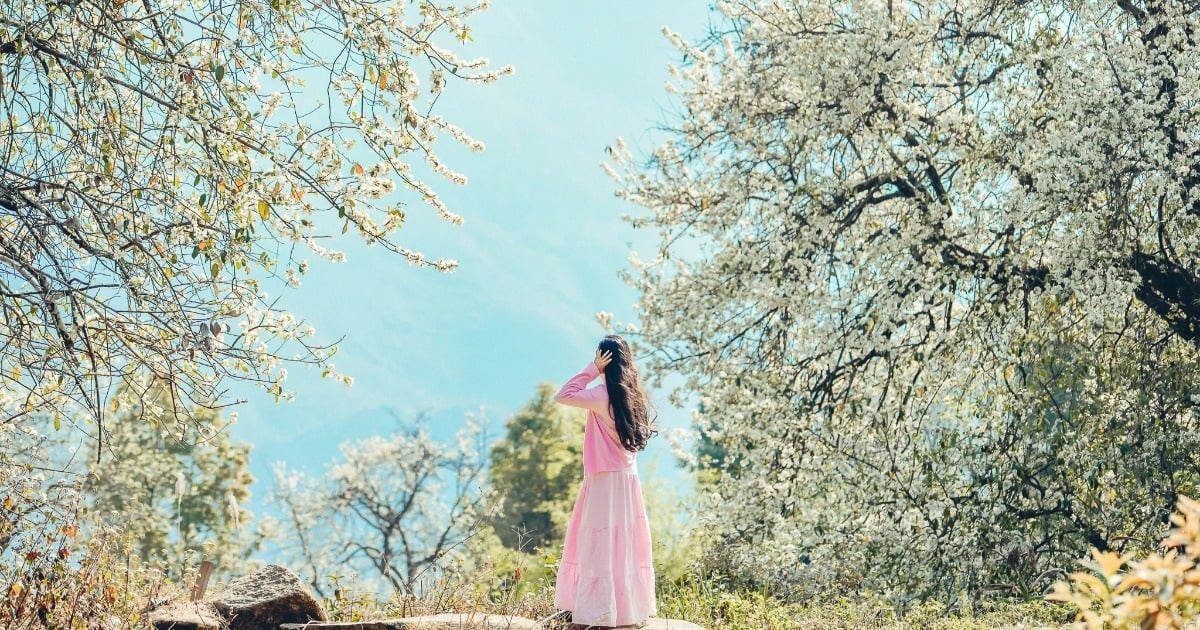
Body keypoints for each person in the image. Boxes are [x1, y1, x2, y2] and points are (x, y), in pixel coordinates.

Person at [553, 334, 658, 628]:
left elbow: (563, 395)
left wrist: (591, 369)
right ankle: (626, 610)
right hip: (627, 481)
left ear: (604, 360)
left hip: (603, 482)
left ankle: (597, 611)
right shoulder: (633, 396)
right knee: (623, 543)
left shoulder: (601, 396)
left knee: (597, 543)